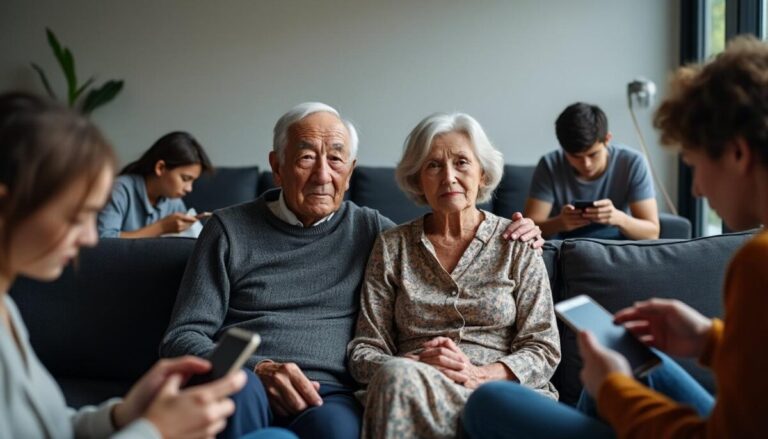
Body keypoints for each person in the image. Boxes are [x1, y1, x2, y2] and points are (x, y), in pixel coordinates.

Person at [159, 102, 545, 439]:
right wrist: (257, 369)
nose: (323, 175)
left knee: (338, 432)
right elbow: (183, 336)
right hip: (248, 380)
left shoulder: (373, 230)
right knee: (237, 396)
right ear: (277, 167)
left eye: (336, 158)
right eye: (306, 156)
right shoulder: (227, 230)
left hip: (328, 392)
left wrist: (535, 233)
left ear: (351, 171)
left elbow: (443, 241)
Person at [463, 35, 768, 438]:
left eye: (693, 165)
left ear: (737, 154)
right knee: (640, 356)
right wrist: (707, 341)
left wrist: (613, 390)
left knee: (489, 400)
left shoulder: (756, 263)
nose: (696, 190)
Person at [0, 92, 296, 439]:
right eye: (74, 216)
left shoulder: (8, 311)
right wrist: (155, 431)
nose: (90, 239)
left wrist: (124, 414)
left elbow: (49, 428)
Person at [346, 112, 561, 438]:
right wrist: (416, 365)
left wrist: (479, 374)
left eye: (461, 162)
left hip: (497, 396)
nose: (448, 177)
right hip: (413, 390)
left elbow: (543, 348)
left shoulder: (516, 242)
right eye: (433, 165)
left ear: (483, 174)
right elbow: (364, 352)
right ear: (418, 179)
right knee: (397, 379)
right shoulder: (393, 246)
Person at [524, 102, 660, 240]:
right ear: (562, 148)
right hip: (566, 245)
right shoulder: (550, 164)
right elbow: (529, 228)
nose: (586, 164)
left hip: (616, 246)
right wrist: (560, 223)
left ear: (607, 139)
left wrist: (619, 219)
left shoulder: (632, 163)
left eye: (593, 154)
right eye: (576, 157)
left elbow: (652, 233)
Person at [97, 131, 213, 238]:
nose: (189, 188)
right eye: (185, 178)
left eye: (193, 181)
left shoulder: (174, 202)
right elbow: (104, 241)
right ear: (160, 168)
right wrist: (161, 227)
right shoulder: (119, 189)